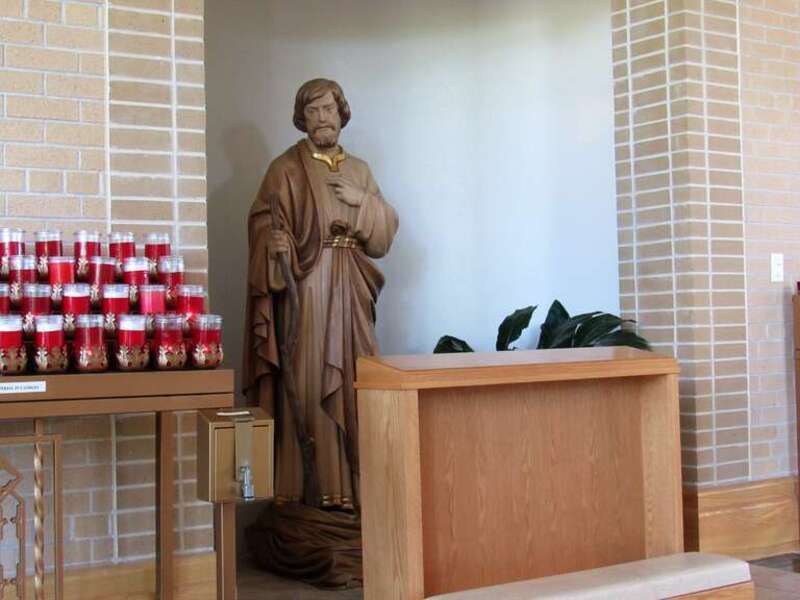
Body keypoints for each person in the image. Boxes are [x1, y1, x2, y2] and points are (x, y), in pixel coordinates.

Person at [244, 78, 399, 510]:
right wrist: (274, 246)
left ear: (342, 112)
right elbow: (262, 223)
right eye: (312, 111)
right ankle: (309, 497)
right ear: (301, 118)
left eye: (328, 109)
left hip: (352, 283)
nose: (322, 118)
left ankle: (357, 494)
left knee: (356, 378)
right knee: (313, 380)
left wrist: (361, 201)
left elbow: (384, 235)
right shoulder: (285, 169)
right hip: (309, 289)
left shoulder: (360, 171)